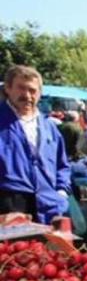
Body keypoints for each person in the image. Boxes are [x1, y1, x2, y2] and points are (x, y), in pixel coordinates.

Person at [0, 65, 71, 224]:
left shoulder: (49, 126)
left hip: (49, 204)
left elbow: (62, 164)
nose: (27, 95)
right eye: (21, 88)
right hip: (10, 204)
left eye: (32, 90)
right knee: (15, 249)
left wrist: (61, 192)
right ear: (8, 89)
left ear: (39, 93)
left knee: (50, 249)